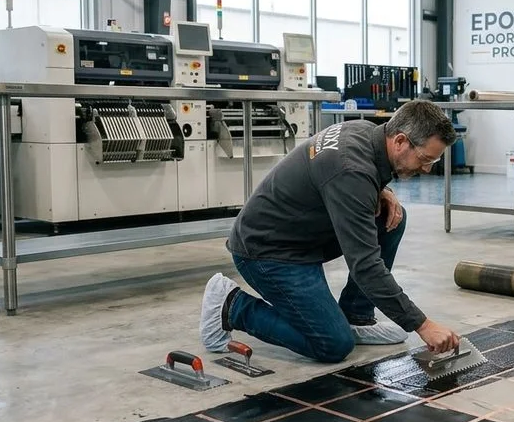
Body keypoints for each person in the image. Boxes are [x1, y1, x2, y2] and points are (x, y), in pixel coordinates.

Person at [198, 99, 462, 362]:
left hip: (297, 236)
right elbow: (366, 266)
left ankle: (356, 316)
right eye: (425, 159)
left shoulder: (366, 132)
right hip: (267, 252)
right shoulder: (351, 171)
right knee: (332, 344)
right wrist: (422, 325)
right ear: (400, 141)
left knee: (391, 219)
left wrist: (383, 190)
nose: (427, 168)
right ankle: (232, 305)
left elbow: (346, 178)